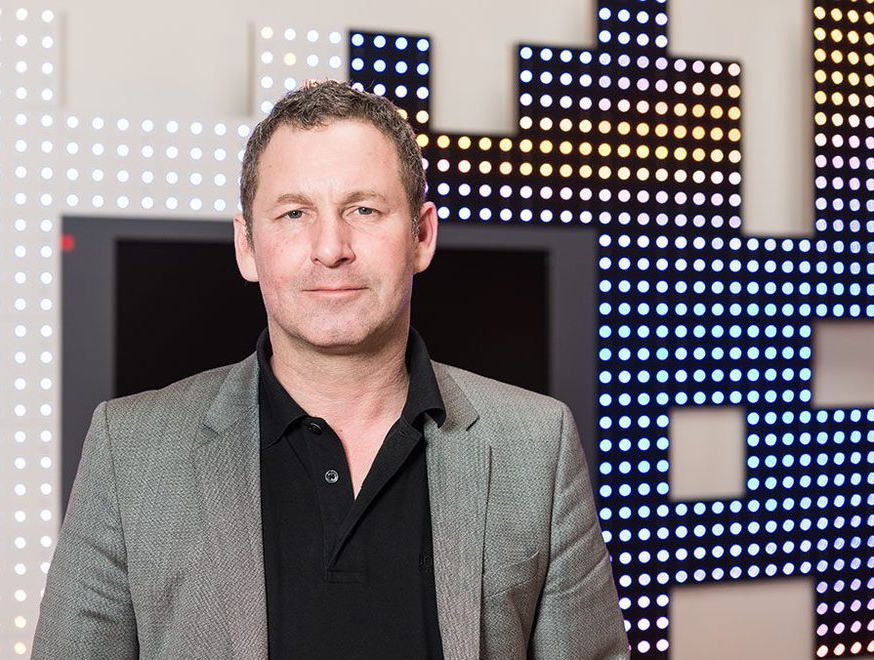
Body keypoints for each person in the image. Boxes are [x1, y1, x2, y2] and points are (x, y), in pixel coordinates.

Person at [32, 80, 628, 659]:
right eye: (294, 213)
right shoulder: (129, 452)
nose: (330, 248)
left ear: (422, 236)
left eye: (363, 209)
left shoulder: (538, 445)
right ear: (246, 246)